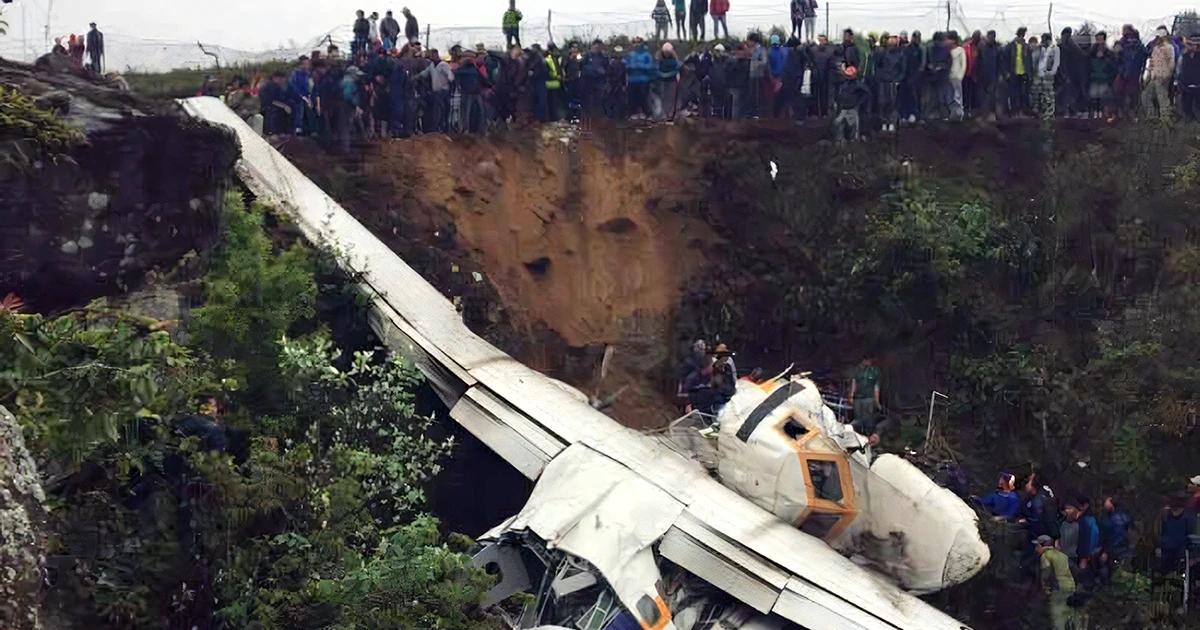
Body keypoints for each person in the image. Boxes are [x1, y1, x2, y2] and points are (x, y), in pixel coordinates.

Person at [1036, 535, 1078, 630]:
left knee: (1057, 614)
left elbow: (1046, 573)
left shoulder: (1046, 555)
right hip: (1070, 585)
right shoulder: (1062, 555)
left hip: (1059, 588)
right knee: (1068, 611)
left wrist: (1044, 587)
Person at [1157, 493, 1196, 575]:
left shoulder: (1189, 515)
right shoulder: (1165, 513)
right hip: (1165, 549)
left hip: (1181, 549)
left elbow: (1192, 535)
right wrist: (1157, 546)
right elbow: (1158, 530)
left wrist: (1192, 557)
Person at [1143, 26, 1176, 119]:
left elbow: (1171, 63)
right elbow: (1152, 63)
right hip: (1154, 76)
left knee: (1162, 97)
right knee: (1148, 96)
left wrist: (1166, 76)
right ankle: (1152, 117)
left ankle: (1165, 117)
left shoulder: (1169, 48)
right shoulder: (1155, 48)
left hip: (1163, 77)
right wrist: (1148, 75)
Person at [417, 49, 454, 132]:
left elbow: (450, 77)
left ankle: (443, 128)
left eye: (432, 55)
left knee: (441, 111)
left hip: (443, 91)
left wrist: (449, 84)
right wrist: (416, 77)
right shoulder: (432, 65)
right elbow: (424, 73)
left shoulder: (443, 65)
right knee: (437, 111)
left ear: (436, 55)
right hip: (436, 91)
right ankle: (438, 128)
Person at [1114, 25, 1146, 115]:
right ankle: (1123, 112)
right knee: (1120, 91)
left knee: (1132, 93)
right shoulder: (1121, 43)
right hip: (1124, 71)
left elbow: (1144, 55)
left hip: (1133, 71)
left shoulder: (1137, 44)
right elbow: (1117, 58)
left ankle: (1131, 112)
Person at [1088, 31, 1118, 119]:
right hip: (1093, 77)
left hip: (1103, 77)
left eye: (1101, 39)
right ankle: (1094, 113)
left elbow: (1112, 65)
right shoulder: (1092, 51)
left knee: (1102, 97)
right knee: (1093, 96)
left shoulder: (1108, 52)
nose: (1099, 41)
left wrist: (1104, 58)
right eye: (1097, 39)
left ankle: (1101, 113)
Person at [1031, 32, 1060, 121]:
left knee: (1049, 95)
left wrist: (1051, 73)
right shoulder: (1041, 49)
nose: (1042, 42)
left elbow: (1056, 63)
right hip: (1038, 75)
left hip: (1048, 76)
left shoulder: (1055, 49)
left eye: (1044, 40)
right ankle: (1040, 112)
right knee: (1038, 94)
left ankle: (1050, 114)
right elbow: (1034, 59)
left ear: (1048, 40)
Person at [626, 37, 656, 119]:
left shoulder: (647, 55)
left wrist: (639, 66)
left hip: (643, 80)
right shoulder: (629, 55)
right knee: (632, 97)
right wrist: (631, 67)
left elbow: (650, 66)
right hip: (632, 80)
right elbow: (625, 65)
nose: (637, 45)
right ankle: (633, 113)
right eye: (635, 43)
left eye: (638, 43)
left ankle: (647, 114)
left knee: (644, 97)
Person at [1179, 35, 1200, 122]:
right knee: (1186, 104)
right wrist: (1180, 79)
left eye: (1192, 45)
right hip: (1186, 85)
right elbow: (1181, 68)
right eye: (1189, 45)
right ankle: (1189, 118)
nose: (1190, 47)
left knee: (1198, 105)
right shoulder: (1185, 56)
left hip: (1197, 84)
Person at [948, 32, 966, 120]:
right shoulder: (947, 51)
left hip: (957, 78)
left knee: (957, 97)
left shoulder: (960, 50)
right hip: (948, 78)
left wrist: (960, 76)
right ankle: (952, 115)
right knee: (949, 97)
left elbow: (963, 64)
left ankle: (959, 115)